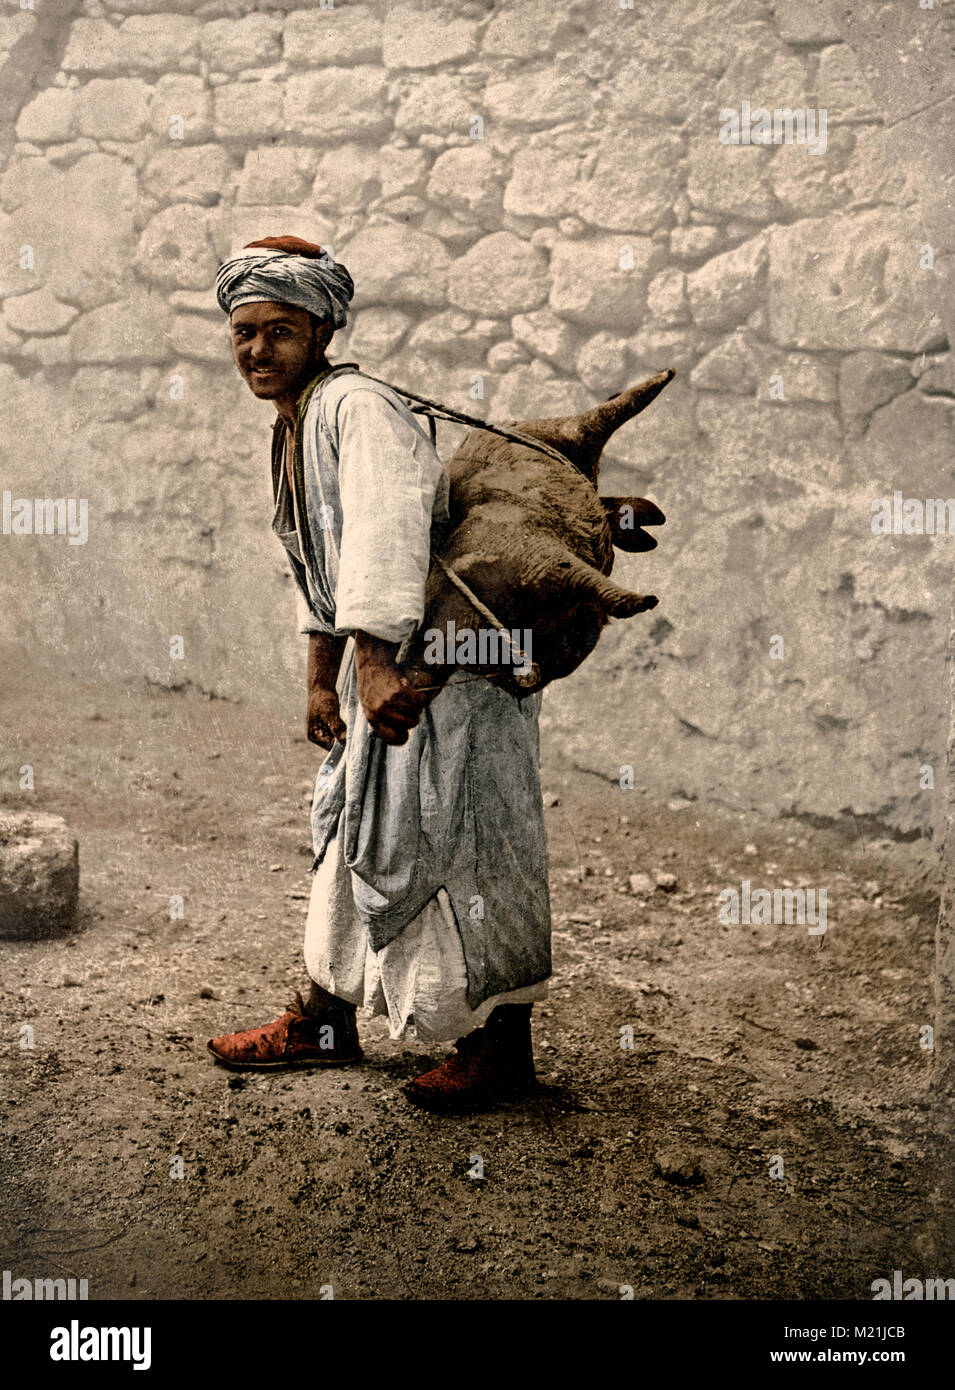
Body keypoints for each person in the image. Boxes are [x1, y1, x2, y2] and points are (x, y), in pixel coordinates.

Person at [207, 235, 552, 1111]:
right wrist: (321, 674)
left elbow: (385, 532)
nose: (256, 350)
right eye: (242, 331)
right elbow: (315, 565)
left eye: (278, 330)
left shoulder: (357, 406)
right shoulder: (298, 422)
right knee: (354, 830)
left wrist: (370, 659)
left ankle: (500, 1049)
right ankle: (324, 1018)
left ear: (322, 327)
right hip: (382, 670)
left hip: (442, 671)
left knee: (461, 844)